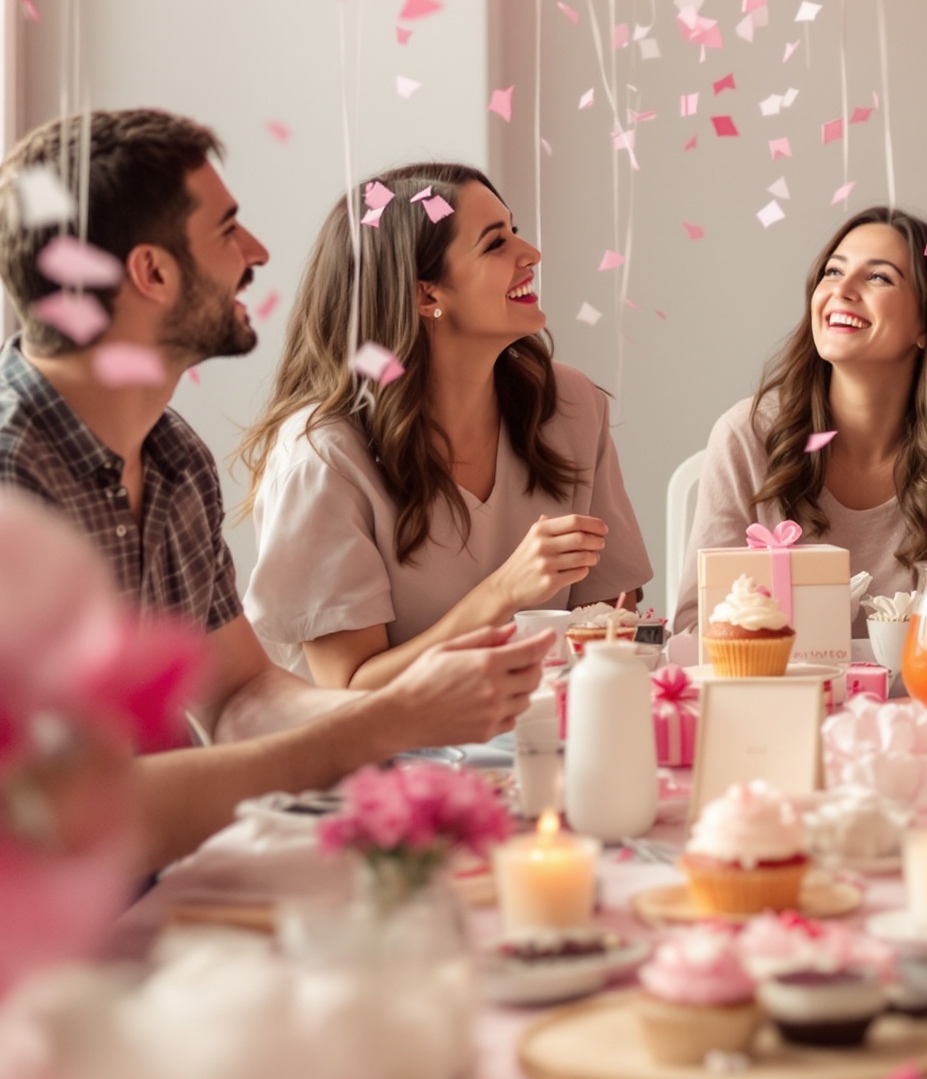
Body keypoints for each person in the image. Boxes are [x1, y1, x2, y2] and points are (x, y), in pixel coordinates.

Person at [0, 111, 550, 869]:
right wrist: (387, 720)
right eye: (228, 231)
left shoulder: (172, 458)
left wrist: (422, 716)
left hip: (161, 898)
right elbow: (70, 813)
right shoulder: (12, 491)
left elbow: (239, 697)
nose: (256, 253)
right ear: (152, 273)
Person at [243, 160, 650, 687]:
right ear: (425, 294)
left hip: (551, 740)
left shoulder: (570, 406)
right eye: (495, 243)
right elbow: (347, 688)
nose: (532, 256)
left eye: (515, 232)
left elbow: (613, 622)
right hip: (394, 762)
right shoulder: (321, 457)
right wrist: (502, 594)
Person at [673, 205, 927, 633]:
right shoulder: (746, 435)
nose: (841, 290)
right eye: (832, 272)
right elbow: (695, 627)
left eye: (878, 276)